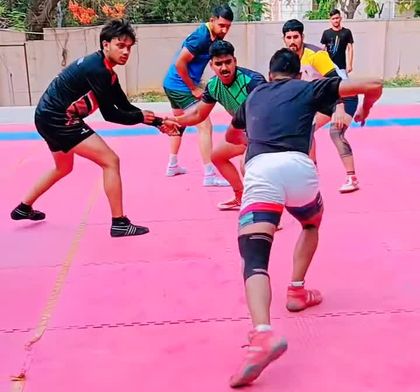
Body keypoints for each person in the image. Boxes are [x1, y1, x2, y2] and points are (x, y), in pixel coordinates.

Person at [225, 48, 382, 388]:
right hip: (300, 172)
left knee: (254, 259)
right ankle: (296, 290)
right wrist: (366, 108)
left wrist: (254, 138)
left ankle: (262, 333)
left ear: (270, 75)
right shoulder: (309, 87)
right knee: (311, 223)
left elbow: (231, 137)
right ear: (298, 73)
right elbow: (374, 83)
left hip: (261, 173)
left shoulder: (253, 97)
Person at [10, 19, 179, 238]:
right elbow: (111, 114)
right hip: (59, 119)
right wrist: (144, 119)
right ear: (105, 44)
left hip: (46, 117)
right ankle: (119, 222)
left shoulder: (106, 71)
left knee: (63, 167)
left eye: (129, 47)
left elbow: (124, 105)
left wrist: (158, 122)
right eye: (121, 45)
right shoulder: (98, 70)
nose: (126, 52)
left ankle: (24, 207)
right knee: (111, 161)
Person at [174, 40, 266, 210]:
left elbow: (267, 115)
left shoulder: (253, 81)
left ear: (235, 61)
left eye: (228, 62)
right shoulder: (213, 86)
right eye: (218, 64)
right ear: (211, 65)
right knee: (217, 156)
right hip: (244, 133)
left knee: (246, 165)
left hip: (265, 134)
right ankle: (240, 196)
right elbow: (198, 114)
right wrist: (173, 121)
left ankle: (263, 210)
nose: (224, 68)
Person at [283, 19, 359, 194]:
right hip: (325, 98)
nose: (292, 41)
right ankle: (312, 173)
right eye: (289, 37)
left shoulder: (316, 55)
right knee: (306, 129)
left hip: (344, 95)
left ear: (302, 37)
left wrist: (339, 106)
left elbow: (337, 81)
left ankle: (352, 178)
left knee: (335, 132)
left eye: (296, 37)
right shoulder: (288, 59)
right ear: (284, 39)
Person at [162, 4, 234, 187]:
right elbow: (180, 63)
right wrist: (193, 88)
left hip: (171, 84)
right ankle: (209, 175)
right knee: (205, 125)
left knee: (180, 123)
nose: (224, 30)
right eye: (221, 25)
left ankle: (172, 165)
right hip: (180, 86)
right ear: (212, 21)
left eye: (228, 26)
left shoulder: (213, 37)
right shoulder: (201, 36)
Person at [320, 9, 354, 79]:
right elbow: (322, 50)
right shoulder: (326, 33)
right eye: (333, 19)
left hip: (341, 67)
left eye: (337, 18)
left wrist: (350, 64)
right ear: (330, 20)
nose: (335, 20)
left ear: (340, 18)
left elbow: (350, 49)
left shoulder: (346, 32)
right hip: (329, 67)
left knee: (344, 84)